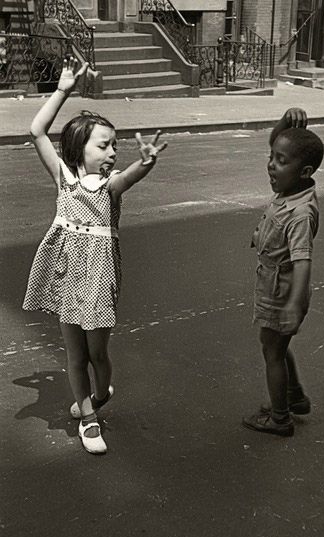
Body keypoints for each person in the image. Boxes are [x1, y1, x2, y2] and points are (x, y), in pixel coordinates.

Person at [23, 57, 167, 454]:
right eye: (103, 145)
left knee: (97, 354)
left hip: (98, 279)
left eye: (114, 146)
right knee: (73, 354)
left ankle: (100, 394)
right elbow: (36, 131)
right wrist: (63, 89)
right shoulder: (64, 180)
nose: (111, 152)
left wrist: (146, 161)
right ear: (77, 149)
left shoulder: (109, 189)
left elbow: (127, 177)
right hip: (67, 275)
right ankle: (89, 419)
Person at [242, 108, 324, 437]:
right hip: (276, 286)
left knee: (272, 350)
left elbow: (304, 259)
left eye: (281, 160)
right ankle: (293, 396)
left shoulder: (300, 213)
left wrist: (292, 303)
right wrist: (285, 123)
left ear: (303, 171)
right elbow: (275, 140)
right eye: (272, 157)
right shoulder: (292, 188)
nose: (271, 165)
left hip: (282, 291)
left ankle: (279, 418)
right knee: (276, 344)